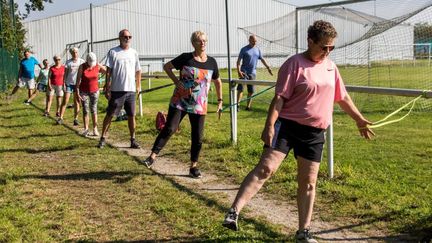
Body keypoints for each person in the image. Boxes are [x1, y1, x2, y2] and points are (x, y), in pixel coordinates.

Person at [222, 20, 375, 242]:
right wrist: (269, 126)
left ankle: (303, 231)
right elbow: (279, 99)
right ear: (310, 41)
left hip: (314, 133)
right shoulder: (294, 64)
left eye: (331, 47)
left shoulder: (331, 67)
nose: (327, 51)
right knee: (266, 169)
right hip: (287, 126)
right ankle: (234, 212)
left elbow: (342, 97)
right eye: (324, 46)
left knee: (309, 182)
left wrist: (359, 119)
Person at [141, 30, 223, 179]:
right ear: (193, 43)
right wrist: (177, 82)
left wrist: (220, 101)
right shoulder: (186, 58)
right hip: (180, 101)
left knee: (197, 136)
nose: (203, 43)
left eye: (205, 40)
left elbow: (218, 81)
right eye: (199, 40)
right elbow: (167, 67)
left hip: (199, 105)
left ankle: (193, 167)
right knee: (170, 128)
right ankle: (152, 156)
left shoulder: (212, 62)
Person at [97, 29, 142, 149]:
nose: (127, 39)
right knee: (110, 114)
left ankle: (133, 140)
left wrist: (138, 86)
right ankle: (102, 138)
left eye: (129, 37)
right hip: (116, 90)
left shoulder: (134, 53)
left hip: (131, 90)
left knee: (131, 115)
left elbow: (138, 70)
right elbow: (108, 71)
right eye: (125, 37)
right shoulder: (113, 52)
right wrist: (107, 86)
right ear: (120, 38)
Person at [236, 35, 273, 111]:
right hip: (243, 72)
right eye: (253, 41)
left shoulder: (257, 50)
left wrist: (268, 67)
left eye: (256, 41)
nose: (255, 42)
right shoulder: (244, 49)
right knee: (241, 89)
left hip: (252, 73)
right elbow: (238, 62)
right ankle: (237, 106)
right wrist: (239, 71)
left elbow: (262, 59)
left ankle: (248, 107)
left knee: (251, 91)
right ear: (249, 40)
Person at [76, 52, 106, 136]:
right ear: (87, 61)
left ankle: (95, 129)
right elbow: (78, 80)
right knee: (85, 110)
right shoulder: (82, 67)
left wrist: (107, 83)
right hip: (83, 91)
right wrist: (77, 92)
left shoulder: (97, 65)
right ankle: (86, 129)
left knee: (94, 109)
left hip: (95, 91)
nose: (92, 64)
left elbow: (107, 72)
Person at [57, 47, 85, 125]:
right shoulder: (68, 62)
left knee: (77, 102)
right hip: (69, 83)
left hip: (78, 85)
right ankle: (60, 118)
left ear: (78, 53)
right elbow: (65, 74)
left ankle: (75, 119)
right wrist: (63, 84)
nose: (75, 54)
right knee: (65, 101)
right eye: (73, 52)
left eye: (76, 52)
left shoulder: (82, 62)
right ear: (71, 53)